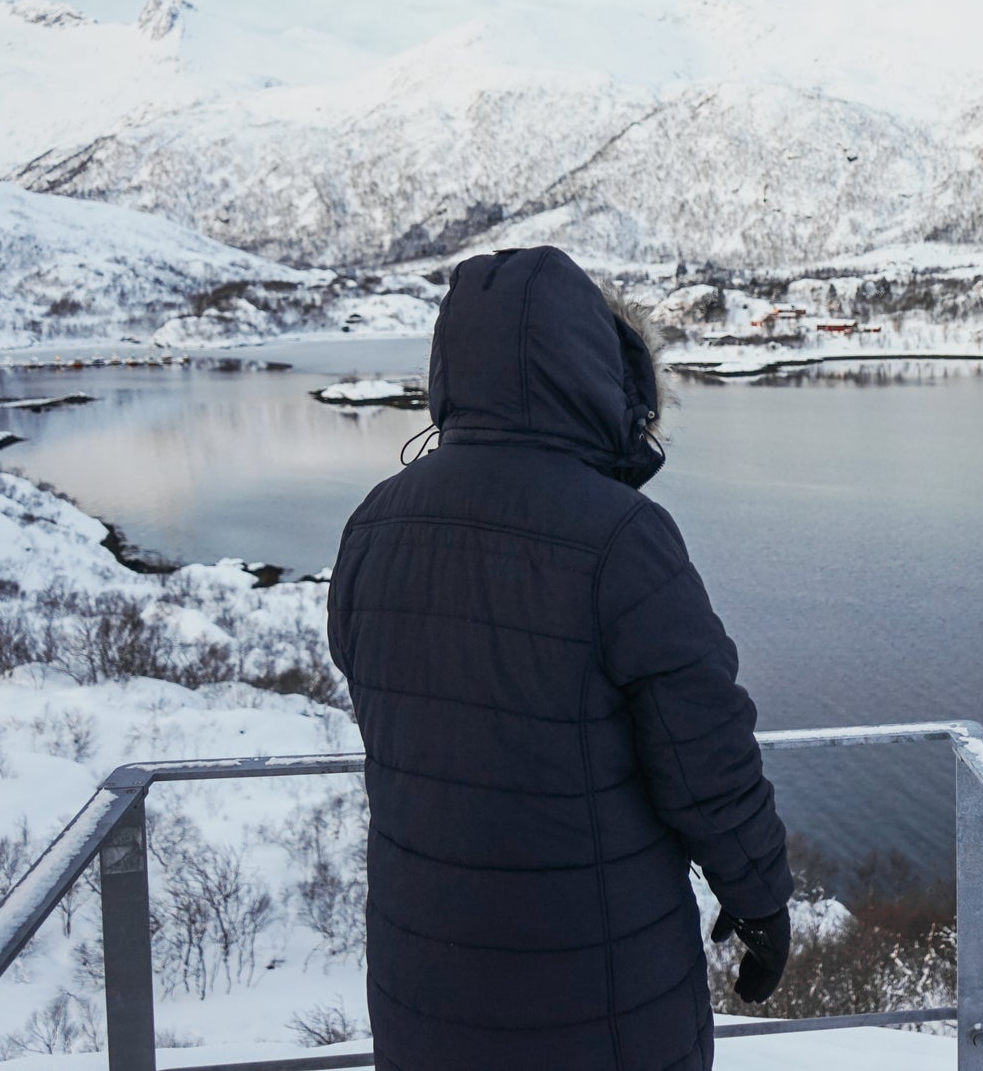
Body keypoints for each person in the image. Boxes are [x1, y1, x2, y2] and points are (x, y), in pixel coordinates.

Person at [328, 246, 792, 1070]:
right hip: (604, 1001)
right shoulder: (621, 538)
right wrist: (759, 898)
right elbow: (706, 753)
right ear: (593, 374)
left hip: (422, 992)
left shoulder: (374, 526)